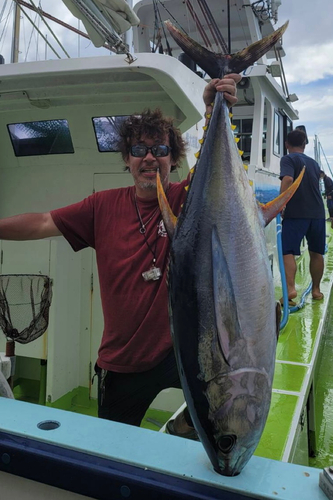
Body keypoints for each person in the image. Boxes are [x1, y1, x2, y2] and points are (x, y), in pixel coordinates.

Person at [0, 74, 241, 438]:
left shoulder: (185, 198)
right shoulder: (102, 206)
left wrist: (213, 106)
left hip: (180, 351)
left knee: (221, 411)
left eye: (160, 150)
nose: (149, 158)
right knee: (114, 448)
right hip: (122, 361)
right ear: (127, 159)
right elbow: (42, 222)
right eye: (140, 149)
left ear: (172, 159)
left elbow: (215, 168)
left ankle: (181, 425)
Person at [280, 129, 325, 306]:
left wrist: (280, 203)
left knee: (287, 250)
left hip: (296, 213)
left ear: (287, 144)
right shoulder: (313, 163)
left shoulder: (288, 159)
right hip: (318, 213)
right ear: (304, 145)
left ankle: (290, 288)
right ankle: (316, 290)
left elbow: (288, 179)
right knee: (316, 252)